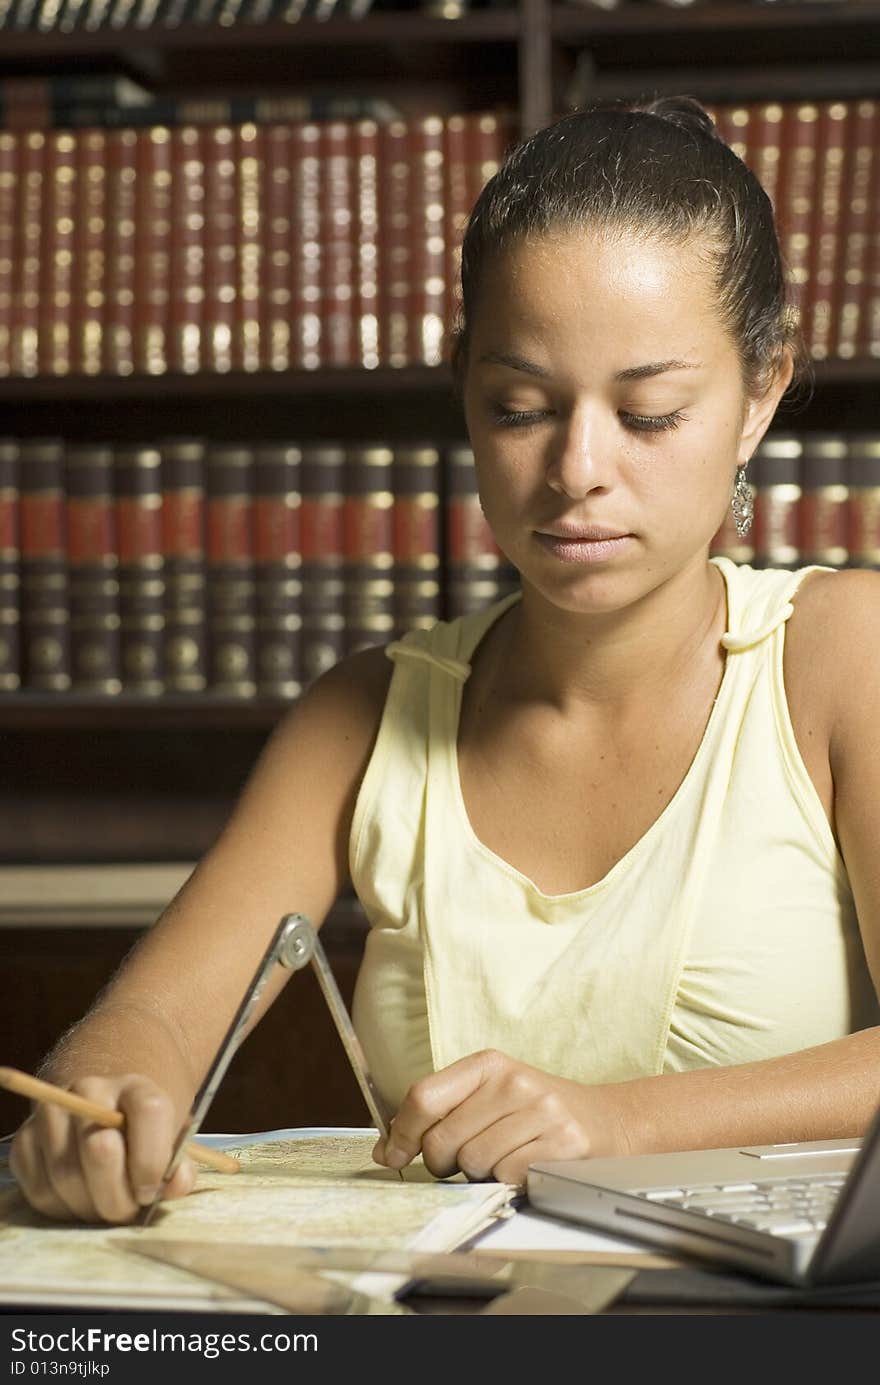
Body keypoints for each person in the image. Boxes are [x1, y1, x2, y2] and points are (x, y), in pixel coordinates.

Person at [11, 95, 880, 1226]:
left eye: (651, 414)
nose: (577, 469)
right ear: (463, 387)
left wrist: (617, 1124)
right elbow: (156, 1020)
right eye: (520, 407)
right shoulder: (364, 711)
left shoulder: (839, 654)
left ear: (761, 392)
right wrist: (106, 1090)